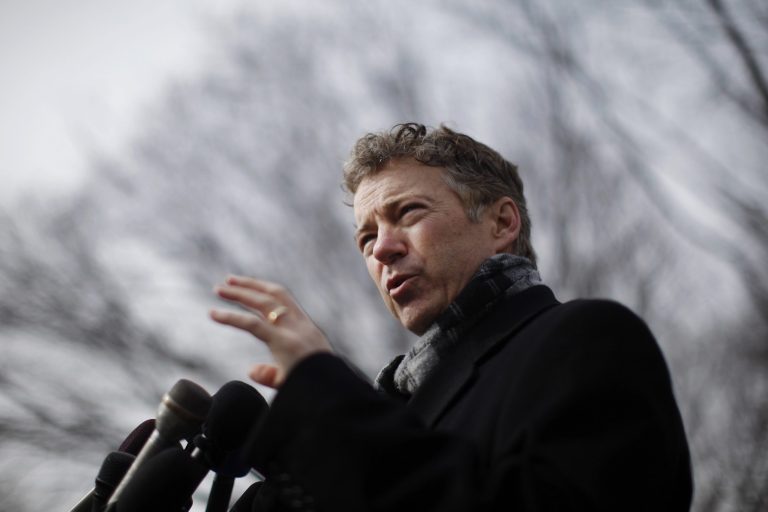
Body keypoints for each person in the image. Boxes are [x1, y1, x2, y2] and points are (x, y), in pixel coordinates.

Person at [211, 123, 693, 511]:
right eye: (366, 238)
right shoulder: (393, 407)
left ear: (502, 223)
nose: (382, 249)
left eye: (408, 213)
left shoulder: (588, 339)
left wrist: (335, 407)